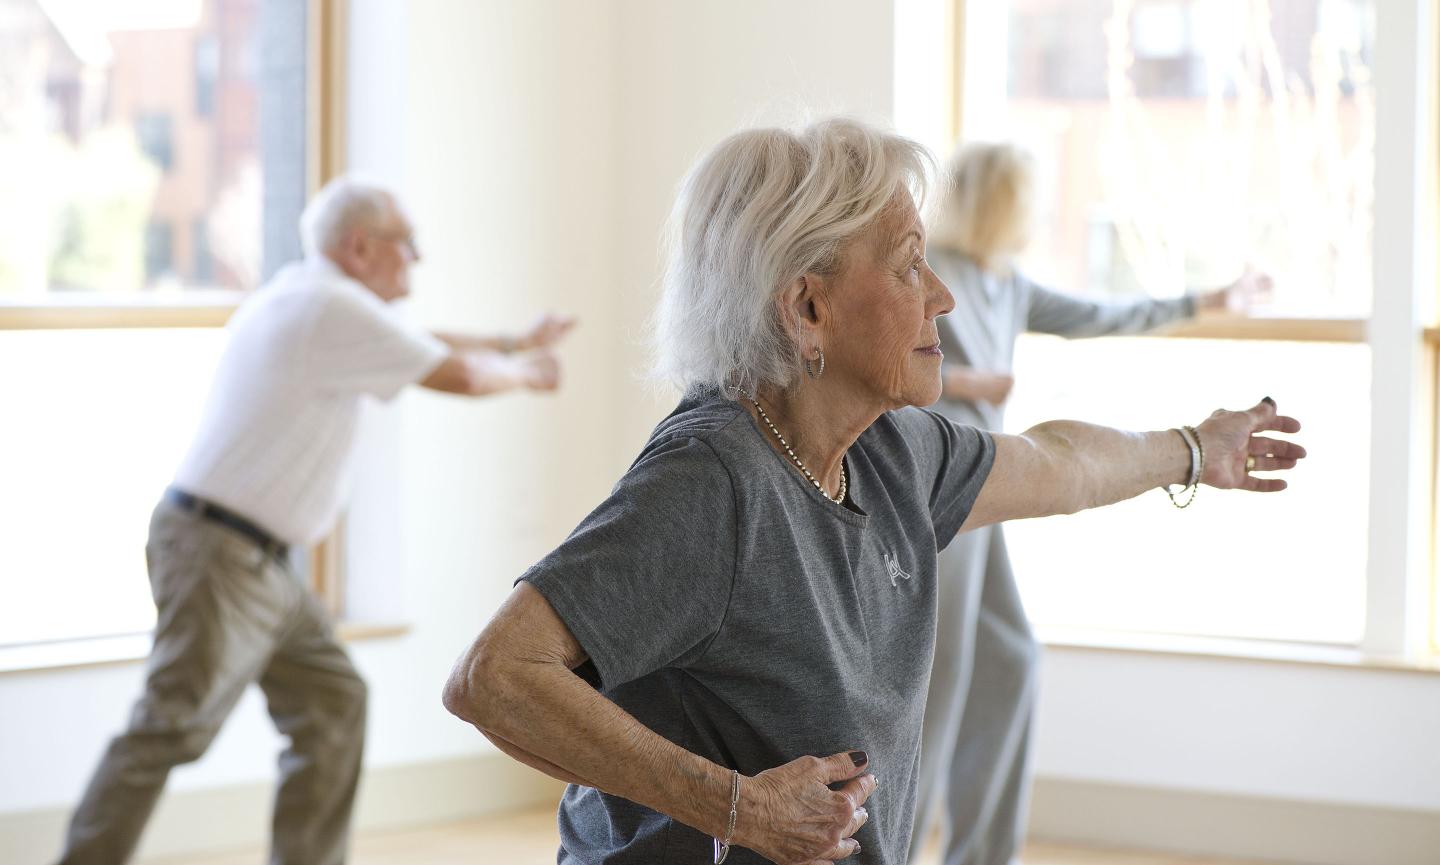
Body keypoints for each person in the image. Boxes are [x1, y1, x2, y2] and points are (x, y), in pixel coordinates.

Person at [440, 118, 1303, 865]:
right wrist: (740, 806)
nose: (943, 296)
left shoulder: (890, 450)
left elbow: (1058, 462)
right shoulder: (714, 480)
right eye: (908, 267)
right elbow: (494, 675)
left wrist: (1194, 449)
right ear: (806, 309)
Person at [55, 177, 575, 865]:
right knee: (168, 728)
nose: (416, 259)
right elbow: (459, 376)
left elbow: (416, 340)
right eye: (407, 244)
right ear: (360, 246)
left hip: (253, 559)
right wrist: (528, 371)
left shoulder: (308, 296)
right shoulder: (331, 306)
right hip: (222, 553)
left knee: (333, 703)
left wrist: (510, 340)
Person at [911, 142, 1269, 865]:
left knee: (1010, 659)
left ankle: (981, 854)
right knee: (935, 688)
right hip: (937, 497)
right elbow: (884, 375)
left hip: (991, 492)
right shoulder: (929, 273)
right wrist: (977, 385)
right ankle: (896, 845)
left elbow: (1101, 313)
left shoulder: (1005, 283)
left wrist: (1205, 301)